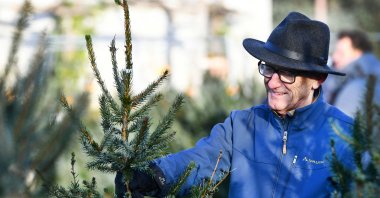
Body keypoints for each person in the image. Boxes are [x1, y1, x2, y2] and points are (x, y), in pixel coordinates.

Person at [115, 12, 355, 197]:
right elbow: (202, 160)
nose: (272, 82)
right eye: (268, 68)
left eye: (286, 74)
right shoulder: (242, 126)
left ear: (317, 79)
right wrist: (154, 175)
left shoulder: (347, 138)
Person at [323, 30, 380, 117]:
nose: (334, 57)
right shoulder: (342, 79)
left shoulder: (359, 86)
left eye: (341, 53)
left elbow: (340, 126)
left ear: (358, 54)